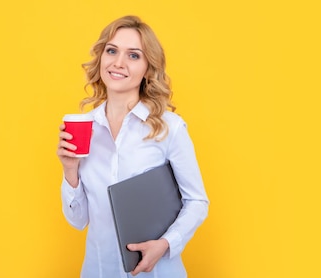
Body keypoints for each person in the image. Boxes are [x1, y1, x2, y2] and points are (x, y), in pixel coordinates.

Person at [57, 15, 209, 278]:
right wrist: (70, 171)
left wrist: (165, 244)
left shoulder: (168, 128)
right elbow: (78, 221)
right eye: (112, 51)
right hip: (99, 271)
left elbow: (197, 201)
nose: (118, 63)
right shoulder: (84, 129)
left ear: (148, 68)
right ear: (101, 57)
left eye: (133, 55)